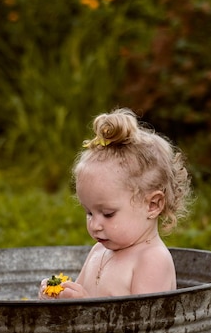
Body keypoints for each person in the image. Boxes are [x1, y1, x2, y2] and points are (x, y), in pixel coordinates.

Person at [39, 107, 192, 299]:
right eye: (89, 213)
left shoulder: (152, 260)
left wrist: (84, 306)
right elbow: (79, 303)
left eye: (108, 214)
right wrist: (60, 296)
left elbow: (146, 325)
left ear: (153, 205)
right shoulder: (98, 251)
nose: (94, 225)